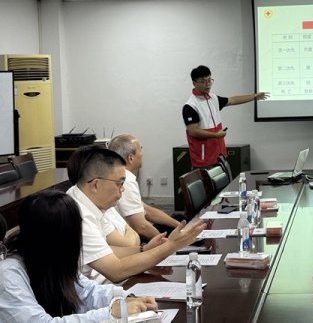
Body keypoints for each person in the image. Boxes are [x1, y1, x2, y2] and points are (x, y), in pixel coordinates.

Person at [0, 190, 157, 322]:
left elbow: (86, 291)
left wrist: (126, 297)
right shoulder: (8, 274)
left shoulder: (51, 256)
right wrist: (111, 313)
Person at [66, 146, 206, 283]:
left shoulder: (87, 199)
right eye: (119, 183)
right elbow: (116, 271)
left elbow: (106, 251)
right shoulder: (78, 214)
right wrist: (172, 245)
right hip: (87, 292)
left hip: (99, 283)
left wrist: (144, 249)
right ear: (95, 185)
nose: (122, 189)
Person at [183, 65, 268, 168]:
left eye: (209, 80)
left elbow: (232, 100)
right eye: (203, 81)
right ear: (194, 83)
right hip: (204, 159)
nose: (208, 84)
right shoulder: (191, 106)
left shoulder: (213, 98)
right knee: (206, 179)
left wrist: (254, 96)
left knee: (224, 178)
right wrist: (216, 135)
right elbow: (193, 131)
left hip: (219, 155)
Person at [108, 134, 179, 240]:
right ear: (130, 158)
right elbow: (141, 227)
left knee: (178, 219)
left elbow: (146, 210)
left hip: (131, 233)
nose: (142, 154)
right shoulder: (126, 181)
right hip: (131, 239)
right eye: (140, 150)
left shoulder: (122, 177)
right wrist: (168, 244)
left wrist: (178, 225)